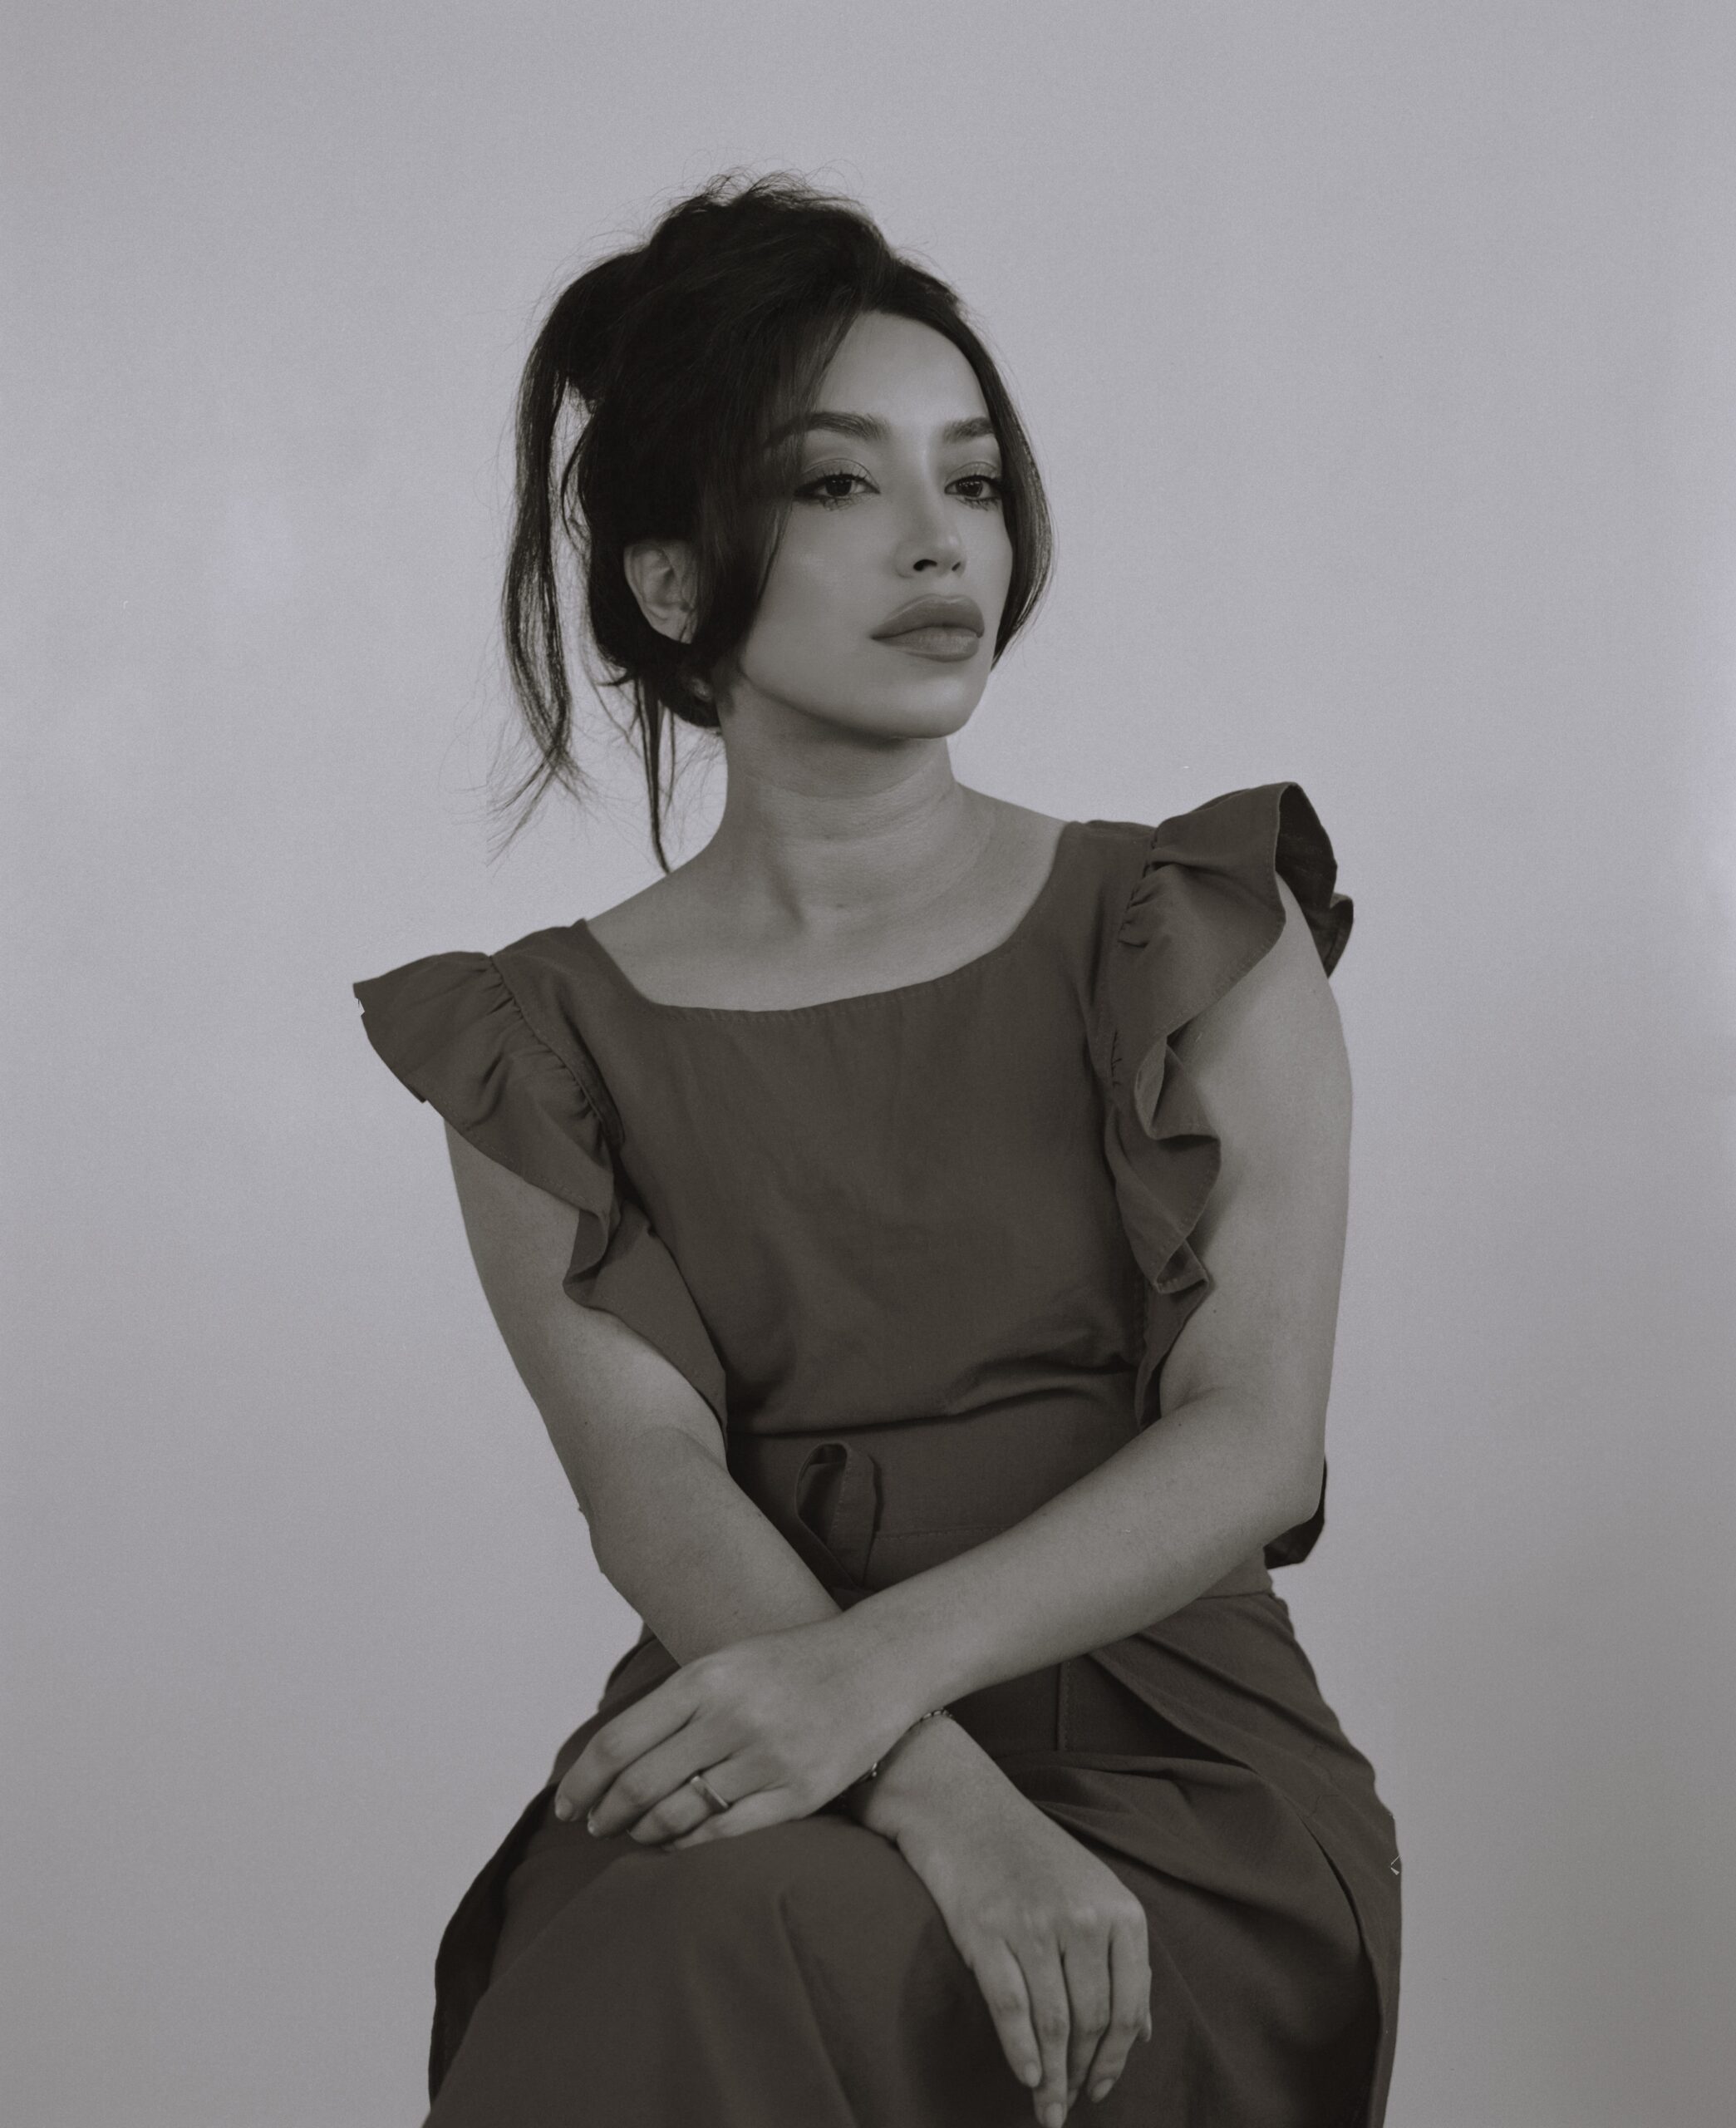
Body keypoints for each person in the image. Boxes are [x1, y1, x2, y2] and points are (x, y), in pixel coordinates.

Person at [352, 170, 1401, 2128]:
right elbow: (647, 1482)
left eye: (977, 480)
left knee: (719, 1956)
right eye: (841, 486)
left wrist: (873, 1685)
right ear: (672, 584)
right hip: (769, 1732)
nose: (942, 544)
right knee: (689, 1944)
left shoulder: (1192, 928)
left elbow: (1253, 1438)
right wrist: (906, 1769)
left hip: (1176, 1762)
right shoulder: (535, 1042)